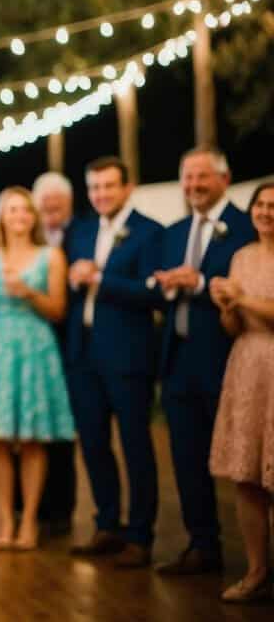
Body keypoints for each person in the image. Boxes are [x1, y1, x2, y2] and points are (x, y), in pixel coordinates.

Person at [150, 147, 254, 576]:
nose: (193, 186)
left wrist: (204, 282)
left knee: (244, 463)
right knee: (187, 458)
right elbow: (163, 289)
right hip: (178, 360)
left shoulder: (249, 228)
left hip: (228, 358)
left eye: (202, 178)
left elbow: (252, 287)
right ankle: (202, 544)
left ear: (224, 180)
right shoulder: (174, 232)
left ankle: (257, 559)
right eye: (187, 179)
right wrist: (169, 286)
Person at [0, 187, 76, 550]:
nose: (19, 217)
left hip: (36, 345)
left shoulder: (52, 256)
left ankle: (30, 522)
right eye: (12, 210)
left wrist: (28, 291)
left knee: (31, 439)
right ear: (2, 217)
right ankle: (6, 520)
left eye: (25, 210)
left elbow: (58, 309)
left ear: (34, 217)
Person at [65, 156, 162, 568]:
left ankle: (140, 535)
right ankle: (106, 523)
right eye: (94, 187)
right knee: (93, 443)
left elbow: (153, 293)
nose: (101, 194)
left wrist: (101, 279)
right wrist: (73, 278)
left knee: (136, 445)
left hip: (127, 355)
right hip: (83, 354)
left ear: (128, 187)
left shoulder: (149, 232)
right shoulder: (82, 230)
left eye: (108, 185)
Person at [208, 181, 274, 603]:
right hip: (248, 366)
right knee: (246, 475)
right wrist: (227, 307)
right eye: (261, 205)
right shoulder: (241, 256)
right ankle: (255, 570)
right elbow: (232, 327)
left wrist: (242, 298)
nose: (266, 212)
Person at [19, 172, 78, 535]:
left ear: (69, 203)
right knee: (26, 430)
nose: (51, 208)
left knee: (61, 431)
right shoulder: (27, 240)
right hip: (29, 348)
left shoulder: (81, 234)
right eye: (45, 202)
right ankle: (29, 509)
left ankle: (60, 511)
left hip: (70, 345)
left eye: (58, 202)